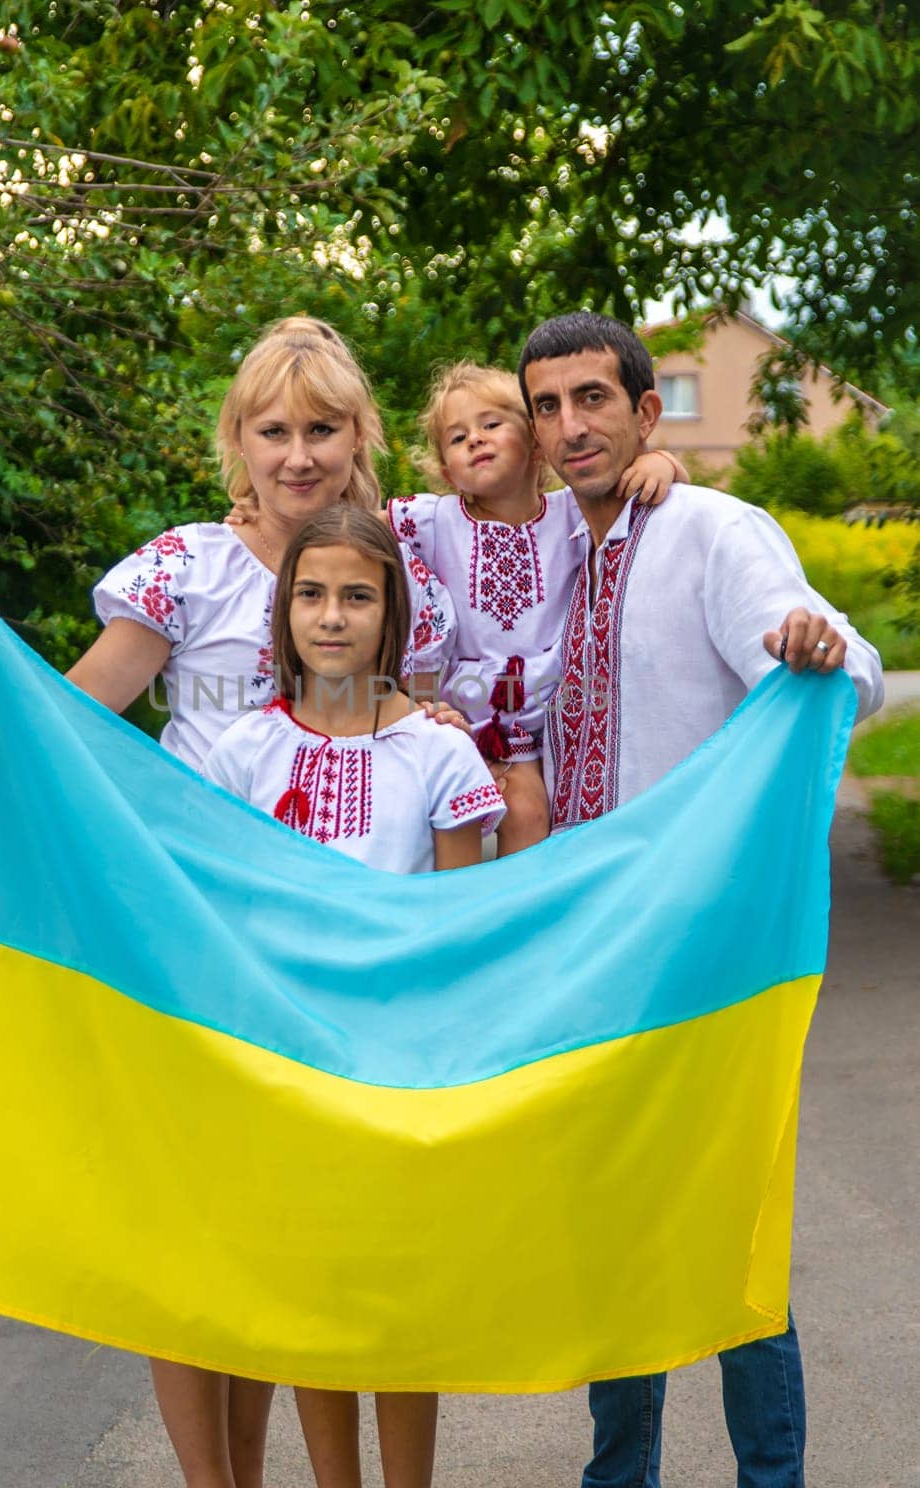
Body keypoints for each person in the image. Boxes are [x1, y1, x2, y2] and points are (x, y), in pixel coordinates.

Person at [0, 319, 458, 1488]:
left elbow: (416, 722)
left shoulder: (388, 558)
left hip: (337, 955)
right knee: (195, 1234)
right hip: (192, 934)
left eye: (322, 428)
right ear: (237, 440)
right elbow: (71, 721)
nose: (298, 453)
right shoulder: (186, 566)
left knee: (296, 1240)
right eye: (274, 431)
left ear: (358, 433)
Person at [516, 310, 884, 1488]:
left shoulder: (714, 529)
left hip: (703, 949)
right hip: (589, 948)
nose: (569, 425)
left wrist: (809, 644)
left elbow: (846, 659)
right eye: (546, 405)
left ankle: (766, 1478)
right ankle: (616, 1476)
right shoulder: (553, 555)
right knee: (615, 1237)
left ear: (639, 408)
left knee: (723, 1234)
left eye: (590, 399)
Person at [206, 504, 505, 1488]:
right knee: (315, 1300)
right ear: (282, 611)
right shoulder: (243, 750)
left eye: (356, 595)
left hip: (402, 1069)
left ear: (395, 617)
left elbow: (459, 924)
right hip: (285, 1070)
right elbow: (221, 912)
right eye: (310, 593)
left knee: (397, 1303)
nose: (331, 616)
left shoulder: (440, 754)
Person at [385, 361, 689, 855]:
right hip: (458, 713)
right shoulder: (436, 520)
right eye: (458, 438)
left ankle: (518, 917)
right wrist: (259, 511)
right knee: (428, 823)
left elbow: (645, 484)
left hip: (549, 713)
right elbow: (348, 528)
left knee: (529, 815)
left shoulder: (571, 510)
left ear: (535, 442)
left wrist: (664, 463)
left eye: (490, 425)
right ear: (446, 471)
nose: (475, 441)